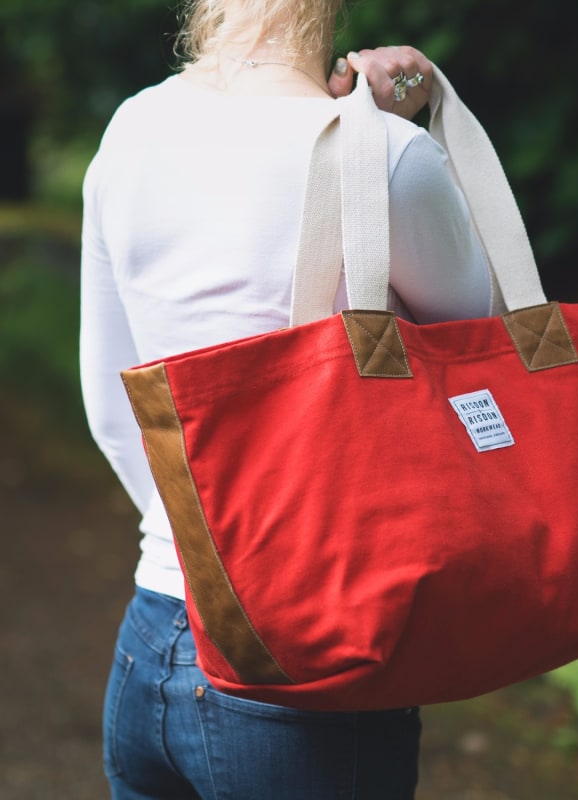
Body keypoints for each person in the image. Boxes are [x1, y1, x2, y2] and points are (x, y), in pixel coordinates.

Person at [80, 1, 492, 797]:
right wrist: (416, 123)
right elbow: (490, 362)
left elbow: (112, 406)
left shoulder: (131, 130)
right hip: (311, 674)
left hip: (152, 640)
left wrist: (206, 554)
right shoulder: (388, 157)